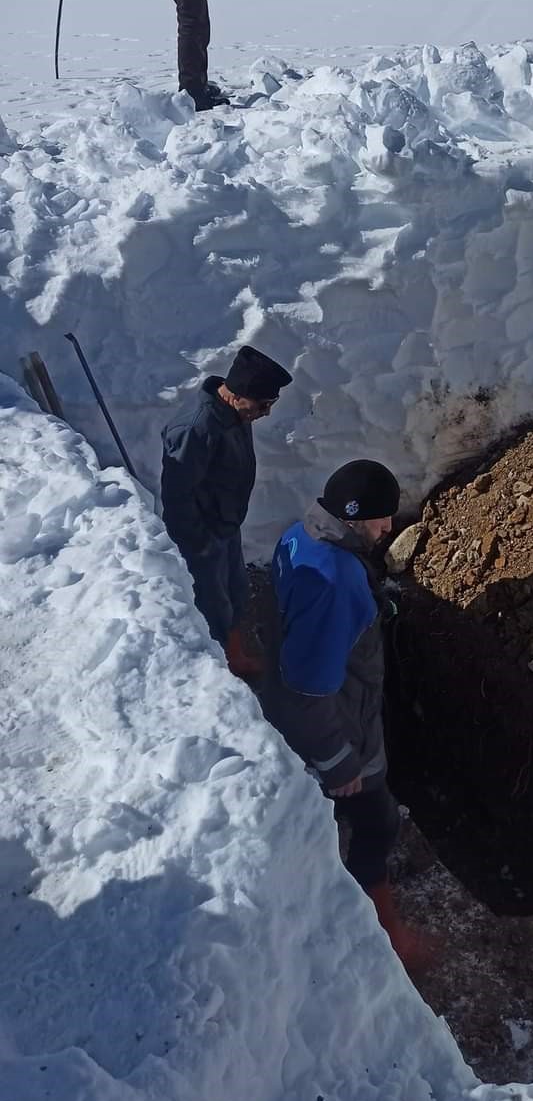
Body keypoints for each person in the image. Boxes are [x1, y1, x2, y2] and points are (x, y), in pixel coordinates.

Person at [262, 459, 437, 974]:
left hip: (320, 700)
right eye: (382, 520)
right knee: (376, 825)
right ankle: (386, 939)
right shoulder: (336, 582)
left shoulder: (301, 535)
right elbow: (310, 691)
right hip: (341, 727)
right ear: (355, 516)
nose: (389, 529)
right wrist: (339, 762)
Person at [160, 346, 292, 673]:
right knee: (211, 603)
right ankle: (221, 667)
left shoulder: (235, 414)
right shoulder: (196, 429)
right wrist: (199, 541)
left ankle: (234, 648)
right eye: (264, 405)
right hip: (203, 535)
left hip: (225, 526)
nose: (266, 413)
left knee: (236, 590)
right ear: (238, 395)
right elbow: (177, 496)